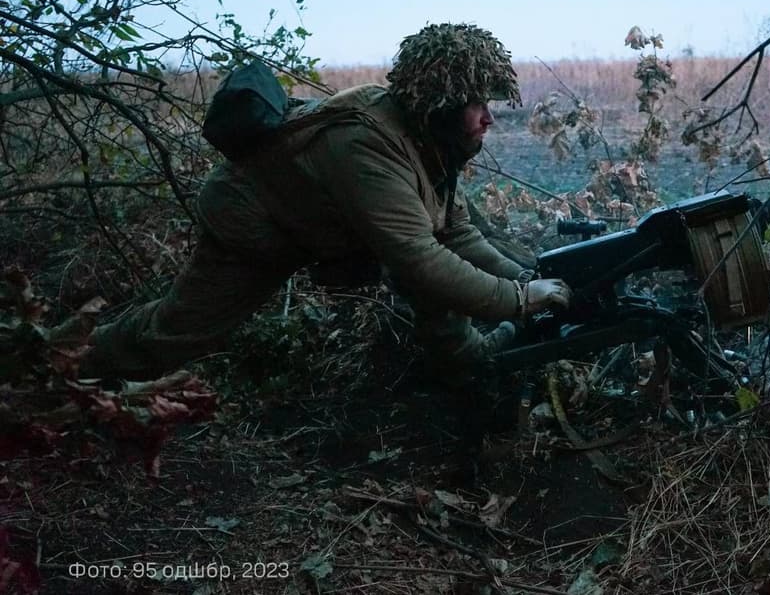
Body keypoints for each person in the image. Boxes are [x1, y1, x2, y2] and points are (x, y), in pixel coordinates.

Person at [82, 23, 572, 385]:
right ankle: (61, 366)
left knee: (431, 261)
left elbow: (456, 234)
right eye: (477, 105)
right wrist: (520, 300)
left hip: (314, 215)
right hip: (253, 220)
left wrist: (525, 281)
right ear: (441, 103)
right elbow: (420, 259)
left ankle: (464, 367)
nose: (489, 118)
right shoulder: (367, 146)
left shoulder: (426, 136)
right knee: (180, 331)